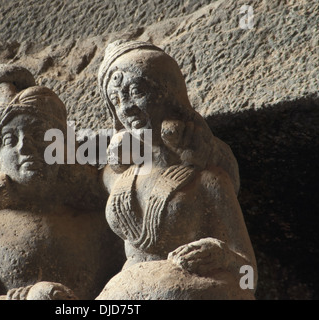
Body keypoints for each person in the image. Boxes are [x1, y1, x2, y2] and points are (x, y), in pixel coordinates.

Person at [0, 65, 123, 300]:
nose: (25, 147)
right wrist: (27, 297)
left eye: (38, 136)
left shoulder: (104, 217)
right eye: (10, 139)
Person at [96, 40, 257, 299]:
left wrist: (222, 255)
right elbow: (63, 189)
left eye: (137, 91)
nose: (126, 107)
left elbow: (249, 276)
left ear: (171, 93)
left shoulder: (207, 178)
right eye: (116, 99)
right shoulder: (118, 177)